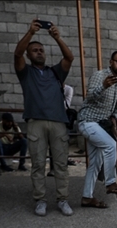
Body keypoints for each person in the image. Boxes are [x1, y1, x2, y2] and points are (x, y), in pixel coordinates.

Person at [14, 20, 74, 217]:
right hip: (36, 122)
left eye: (41, 50)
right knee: (38, 164)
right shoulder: (26, 73)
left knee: (61, 165)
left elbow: (69, 57)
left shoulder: (55, 72)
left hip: (58, 122)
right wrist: (30, 33)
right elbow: (17, 54)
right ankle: (40, 200)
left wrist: (57, 38)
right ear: (29, 55)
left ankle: (63, 199)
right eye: (35, 50)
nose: (39, 52)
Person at [78, 51, 117, 209]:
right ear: (111, 62)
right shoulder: (100, 76)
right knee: (111, 146)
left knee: (95, 163)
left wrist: (115, 115)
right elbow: (90, 97)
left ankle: (87, 197)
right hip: (88, 121)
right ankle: (110, 183)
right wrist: (104, 86)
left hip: (101, 125)